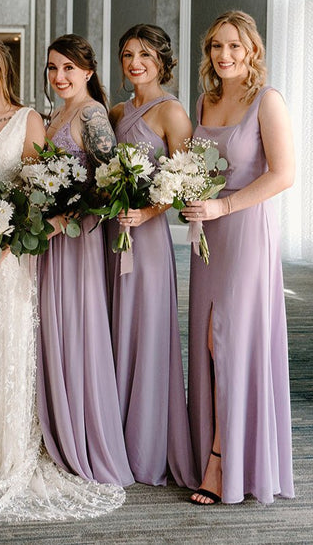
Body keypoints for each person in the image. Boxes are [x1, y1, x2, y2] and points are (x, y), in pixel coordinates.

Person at [0, 32, 125, 521]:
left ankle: (1, 448)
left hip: (9, 256)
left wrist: (2, 239)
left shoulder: (30, 119)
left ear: (4, 66)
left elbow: (39, 191)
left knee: (3, 345)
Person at [183, 10, 295, 505]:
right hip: (207, 234)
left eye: (233, 46)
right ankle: (216, 443)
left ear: (252, 51)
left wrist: (224, 204)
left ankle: (222, 461)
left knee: (225, 339)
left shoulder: (267, 101)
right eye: (215, 47)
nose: (223, 55)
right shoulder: (206, 100)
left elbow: (283, 174)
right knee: (206, 341)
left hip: (246, 228)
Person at [36, 34, 134, 488]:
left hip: (76, 239)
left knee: (76, 329)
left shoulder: (92, 113)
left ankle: (83, 435)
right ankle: (56, 425)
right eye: (53, 68)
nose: (59, 76)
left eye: (69, 68)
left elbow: (111, 182)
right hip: (53, 237)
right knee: (53, 329)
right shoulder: (56, 112)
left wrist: (64, 217)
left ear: (89, 72)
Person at [105, 24, 198, 488]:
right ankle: (111, 436)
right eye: (126, 54)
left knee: (147, 331)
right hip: (113, 235)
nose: (134, 62)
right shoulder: (119, 110)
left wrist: (146, 211)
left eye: (144, 54)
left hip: (147, 238)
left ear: (162, 60)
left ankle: (146, 445)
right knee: (116, 328)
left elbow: (183, 181)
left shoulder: (173, 112)